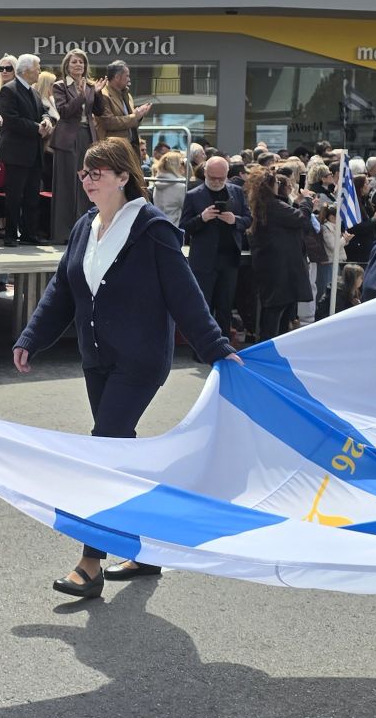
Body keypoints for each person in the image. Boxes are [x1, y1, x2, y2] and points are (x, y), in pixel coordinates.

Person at [14, 136, 237, 596]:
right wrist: (32, 338)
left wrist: (215, 347)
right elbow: (62, 289)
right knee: (121, 453)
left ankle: (90, 563)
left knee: (103, 451)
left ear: (122, 176)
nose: (86, 180)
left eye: (96, 173)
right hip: (97, 358)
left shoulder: (152, 228)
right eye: (84, 172)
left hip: (140, 360)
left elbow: (184, 294)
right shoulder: (85, 226)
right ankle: (145, 550)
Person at [180, 154, 248, 348]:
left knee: (225, 307)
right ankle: (201, 348)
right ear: (205, 173)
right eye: (212, 178)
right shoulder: (193, 195)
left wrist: (235, 220)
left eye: (221, 178)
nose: (217, 182)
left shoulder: (237, 192)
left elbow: (248, 219)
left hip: (229, 258)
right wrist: (202, 218)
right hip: (204, 260)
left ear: (227, 174)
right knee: (204, 307)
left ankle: (223, 347)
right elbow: (184, 227)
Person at [245, 165, 314, 341]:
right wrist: (307, 201)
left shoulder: (262, 204)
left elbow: (290, 219)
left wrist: (297, 203)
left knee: (276, 312)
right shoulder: (274, 205)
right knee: (275, 314)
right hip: (281, 269)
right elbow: (301, 219)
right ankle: (270, 348)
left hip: (272, 266)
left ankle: (272, 346)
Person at [0, 50, 51, 246]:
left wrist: (46, 120)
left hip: (34, 152)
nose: (39, 72)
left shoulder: (34, 91)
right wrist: (37, 127)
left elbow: (43, 111)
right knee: (14, 196)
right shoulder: (9, 90)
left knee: (32, 196)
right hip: (17, 153)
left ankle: (29, 233)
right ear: (26, 71)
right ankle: (10, 235)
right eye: (37, 69)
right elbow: (11, 120)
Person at [49, 49, 95, 233]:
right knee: (67, 183)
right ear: (67, 66)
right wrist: (82, 96)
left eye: (81, 62)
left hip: (87, 136)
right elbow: (64, 111)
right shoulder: (60, 86)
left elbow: (98, 110)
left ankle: (85, 227)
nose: (78, 65)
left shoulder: (90, 85)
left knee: (87, 181)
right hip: (67, 138)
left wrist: (97, 94)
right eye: (74, 62)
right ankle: (64, 231)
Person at [89, 60, 151, 151]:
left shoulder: (127, 96)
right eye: (127, 76)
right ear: (117, 77)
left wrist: (140, 116)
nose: (129, 79)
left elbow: (131, 123)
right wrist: (135, 117)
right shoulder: (102, 95)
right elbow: (108, 122)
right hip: (111, 149)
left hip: (129, 147)